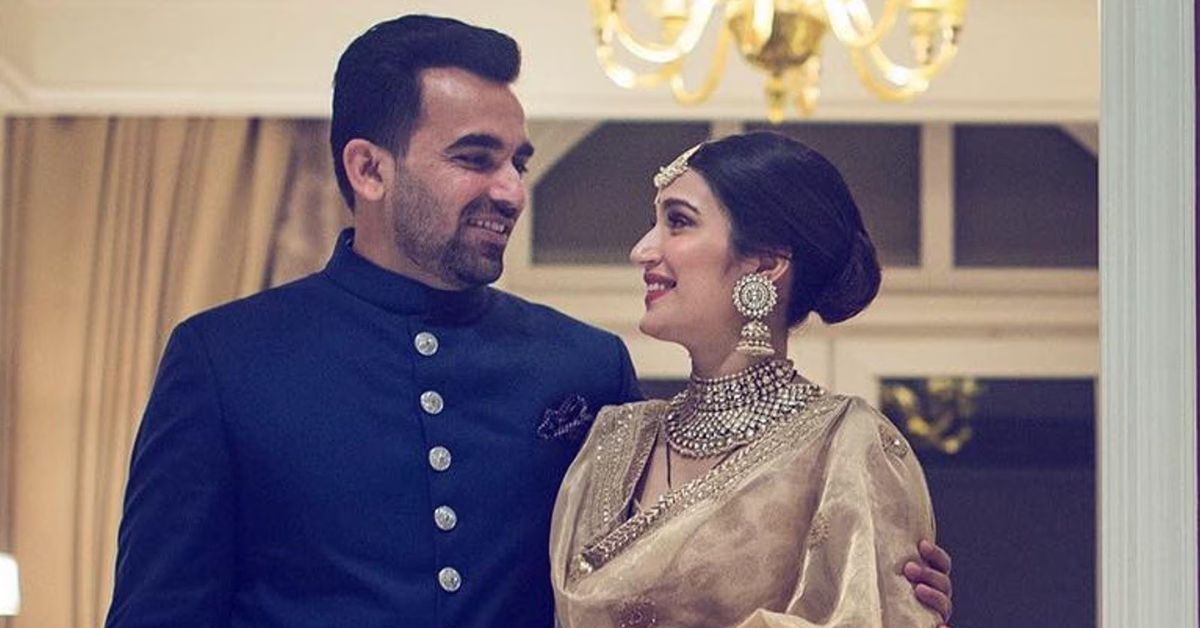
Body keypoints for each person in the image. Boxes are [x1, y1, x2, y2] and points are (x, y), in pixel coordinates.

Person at [105, 15, 953, 628]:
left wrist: (877, 579)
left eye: (518, 161)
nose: (511, 190)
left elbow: (666, 571)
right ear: (368, 169)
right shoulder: (227, 360)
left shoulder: (579, 366)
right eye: (475, 159)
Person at [551, 132, 948, 627]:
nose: (642, 250)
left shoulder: (848, 445)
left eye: (679, 221)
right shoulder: (613, 441)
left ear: (764, 263)